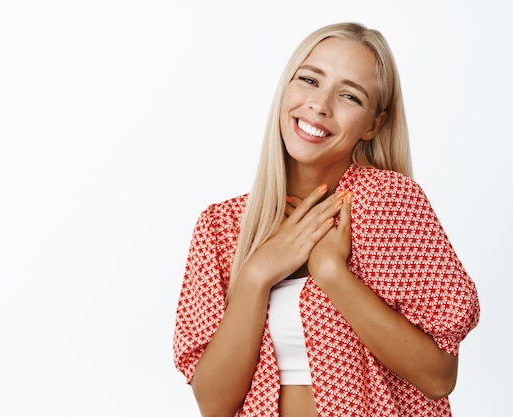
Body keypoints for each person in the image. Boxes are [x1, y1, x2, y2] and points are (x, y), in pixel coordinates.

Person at [173, 22, 480, 417]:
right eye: (309, 80)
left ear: (374, 124)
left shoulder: (390, 204)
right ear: (286, 87)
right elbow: (214, 406)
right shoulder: (222, 226)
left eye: (349, 95)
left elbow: (438, 377)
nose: (320, 105)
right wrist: (256, 276)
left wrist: (332, 272)